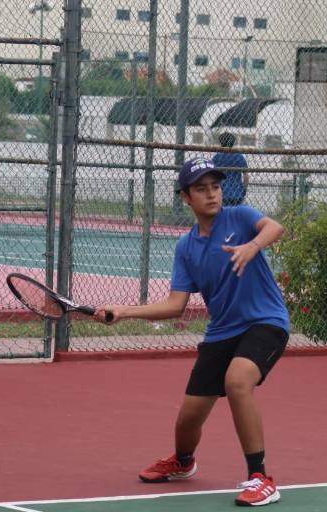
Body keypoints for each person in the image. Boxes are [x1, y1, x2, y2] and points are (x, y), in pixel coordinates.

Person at [94, 157, 289, 507]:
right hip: (221, 333)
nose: (212, 194)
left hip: (266, 322)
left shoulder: (241, 217)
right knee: (188, 418)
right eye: (201, 189)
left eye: (215, 186)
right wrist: (124, 311)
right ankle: (184, 462)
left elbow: (275, 228)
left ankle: (260, 477)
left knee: (237, 381)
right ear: (186, 197)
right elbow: (175, 305)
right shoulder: (186, 248)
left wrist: (251, 246)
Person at [213, 132, 249, 206]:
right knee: (236, 214)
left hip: (222, 192)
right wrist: (244, 189)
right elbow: (246, 175)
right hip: (237, 192)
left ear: (221, 143)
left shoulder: (217, 157)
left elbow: (212, 175)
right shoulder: (239, 156)